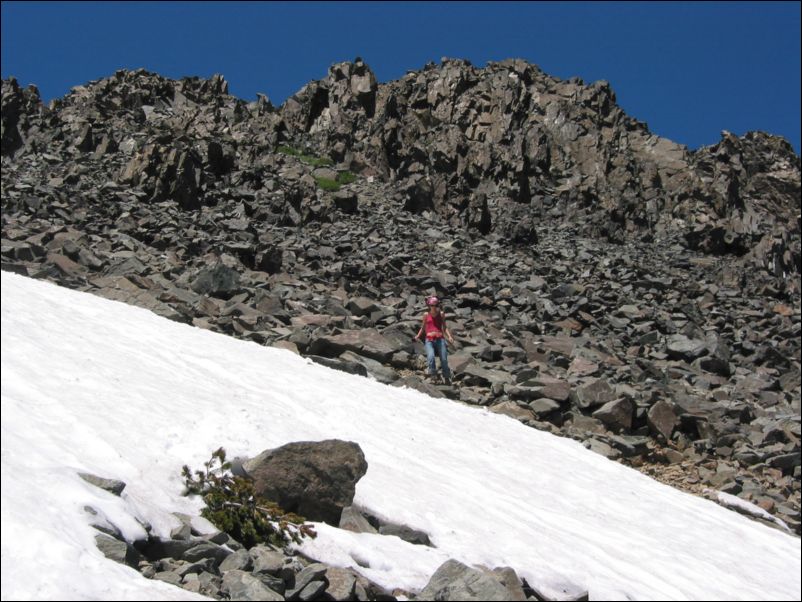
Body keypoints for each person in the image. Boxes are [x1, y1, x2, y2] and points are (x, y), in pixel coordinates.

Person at [413, 295, 455, 384]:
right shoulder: (426, 315)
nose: (434, 307)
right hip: (429, 340)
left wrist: (450, 336)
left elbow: (444, 327)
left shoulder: (441, 314)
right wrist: (417, 336)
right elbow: (423, 327)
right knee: (431, 357)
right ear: (429, 305)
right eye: (432, 305)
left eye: (436, 305)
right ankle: (433, 375)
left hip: (440, 339)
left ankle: (446, 376)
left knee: (444, 358)